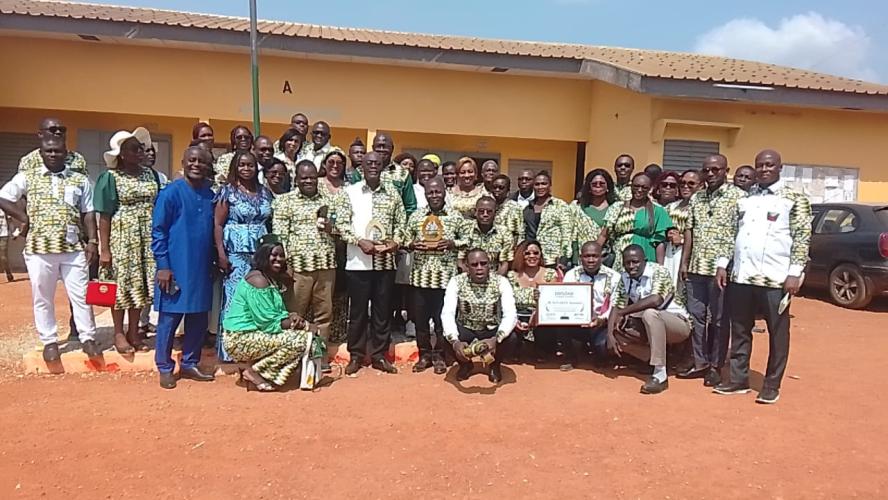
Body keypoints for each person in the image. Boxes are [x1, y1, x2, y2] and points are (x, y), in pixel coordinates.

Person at [713, 150, 811, 404]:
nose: (764, 169)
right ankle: (738, 379)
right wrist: (723, 264)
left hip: (775, 279)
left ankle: (771, 385)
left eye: (769, 165)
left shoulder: (794, 199)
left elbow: (802, 238)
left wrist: (795, 273)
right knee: (740, 329)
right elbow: (731, 234)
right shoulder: (745, 199)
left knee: (777, 333)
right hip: (743, 276)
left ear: (780, 167)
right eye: (760, 165)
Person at [0, 136, 100, 362]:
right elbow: (3, 197)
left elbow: (89, 212)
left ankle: (88, 338)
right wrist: (23, 217)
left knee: (81, 295)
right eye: (49, 151)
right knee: (43, 297)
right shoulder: (28, 176)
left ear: (66, 153)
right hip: (39, 249)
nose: (53, 154)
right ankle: (50, 342)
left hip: (73, 248)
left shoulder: (79, 179)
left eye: (58, 151)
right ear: (42, 153)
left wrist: (93, 241)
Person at [151, 146, 217, 389]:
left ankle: (190, 362)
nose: (196, 165)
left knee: (198, 318)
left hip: (201, 267)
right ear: (183, 162)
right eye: (192, 160)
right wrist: (163, 266)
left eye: (202, 161)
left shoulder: (210, 195)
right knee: (169, 319)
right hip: (174, 267)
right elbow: (158, 231)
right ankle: (165, 367)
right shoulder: (170, 193)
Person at [678, 154, 746, 386]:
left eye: (715, 169)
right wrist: (684, 262)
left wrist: (729, 265)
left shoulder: (739, 197)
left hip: (722, 271)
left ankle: (716, 366)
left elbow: (742, 235)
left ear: (726, 171)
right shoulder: (697, 198)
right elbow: (689, 231)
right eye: (706, 170)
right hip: (696, 268)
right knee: (696, 318)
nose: (710, 174)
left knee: (718, 320)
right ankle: (700, 362)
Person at [222, 238, 320, 391]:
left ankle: (256, 368)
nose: (279, 259)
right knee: (302, 340)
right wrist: (305, 325)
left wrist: (291, 316)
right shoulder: (258, 280)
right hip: (240, 339)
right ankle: (254, 372)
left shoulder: (269, 278)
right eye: (274, 255)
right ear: (263, 255)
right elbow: (268, 323)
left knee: (305, 337)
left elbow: (275, 313)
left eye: (281, 255)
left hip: (254, 333)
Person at [340, 151, 406, 376]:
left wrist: (395, 242)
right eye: (369, 163)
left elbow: (401, 223)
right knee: (357, 312)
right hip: (358, 262)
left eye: (377, 163)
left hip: (385, 263)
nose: (373, 167)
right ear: (362, 167)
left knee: (382, 311)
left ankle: (379, 355)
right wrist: (359, 241)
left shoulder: (393, 193)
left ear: (382, 166)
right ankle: (356, 355)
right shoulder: (350, 192)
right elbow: (342, 224)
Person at [94, 127, 159, 353]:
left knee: (139, 285)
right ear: (121, 154)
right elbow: (104, 215)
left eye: (141, 148)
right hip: (123, 236)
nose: (140, 152)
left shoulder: (150, 175)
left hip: (146, 236)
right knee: (121, 285)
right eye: (134, 149)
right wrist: (104, 249)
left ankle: (133, 331)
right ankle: (119, 333)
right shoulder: (110, 177)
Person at [271, 159, 340, 349]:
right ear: (296, 179)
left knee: (324, 316)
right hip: (298, 269)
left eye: (312, 177)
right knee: (294, 314)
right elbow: (280, 236)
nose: (308, 181)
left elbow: (341, 228)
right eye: (304, 178)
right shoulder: (285, 201)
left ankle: (319, 355)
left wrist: (332, 228)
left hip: (326, 266)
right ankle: (293, 354)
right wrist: (284, 267)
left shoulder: (330, 200)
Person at [607, 245, 691, 394]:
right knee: (617, 333)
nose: (631, 266)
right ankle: (657, 359)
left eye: (635, 262)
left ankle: (660, 375)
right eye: (627, 263)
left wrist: (624, 312)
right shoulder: (624, 277)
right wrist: (609, 335)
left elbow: (656, 300)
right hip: (648, 324)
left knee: (650, 313)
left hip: (678, 324)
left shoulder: (659, 271)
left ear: (644, 261)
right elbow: (616, 305)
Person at [214, 151, 273, 363]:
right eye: (242, 165)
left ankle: (255, 348)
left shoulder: (265, 192)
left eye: (250, 165)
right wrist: (221, 254)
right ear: (235, 167)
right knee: (234, 298)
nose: (246, 169)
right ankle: (231, 350)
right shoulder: (227, 192)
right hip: (235, 253)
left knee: (258, 297)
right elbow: (218, 224)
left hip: (260, 253)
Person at [405, 176, 467, 374]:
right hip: (420, 278)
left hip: (445, 280)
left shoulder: (455, 216)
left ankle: (440, 356)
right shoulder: (416, 216)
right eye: (430, 192)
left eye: (437, 191)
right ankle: (424, 355)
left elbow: (468, 239)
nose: (434, 195)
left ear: (444, 192)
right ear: (425, 194)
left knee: (442, 322)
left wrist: (452, 243)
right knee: (421, 322)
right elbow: (404, 238)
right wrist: (412, 244)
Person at [442, 249, 518, 383]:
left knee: (511, 337)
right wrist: (455, 342)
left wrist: (496, 339)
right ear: (466, 266)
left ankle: (494, 365)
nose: (479, 268)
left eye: (483, 264)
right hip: (466, 327)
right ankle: (465, 365)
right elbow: (447, 313)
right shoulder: (456, 281)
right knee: (445, 337)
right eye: (474, 264)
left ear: (489, 265)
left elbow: (510, 313)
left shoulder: (501, 282)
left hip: (491, 328)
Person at [558, 241, 620, 370]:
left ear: (602, 257)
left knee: (602, 346)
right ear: (580, 258)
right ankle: (571, 357)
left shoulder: (614, 277)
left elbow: (616, 304)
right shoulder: (571, 275)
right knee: (560, 323)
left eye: (594, 256)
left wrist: (602, 320)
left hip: (603, 323)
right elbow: (564, 301)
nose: (591, 260)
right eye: (587, 256)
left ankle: (600, 356)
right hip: (577, 323)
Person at [598, 172, 672, 270]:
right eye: (636, 186)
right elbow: (604, 235)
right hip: (620, 256)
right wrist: (594, 253)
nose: (640, 190)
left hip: (646, 255)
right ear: (631, 186)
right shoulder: (617, 207)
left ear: (650, 189)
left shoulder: (658, 210)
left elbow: (659, 241)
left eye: (644, 187)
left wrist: (660, 268)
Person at [318, 150, 353, 345]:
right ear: (324, 164)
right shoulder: (315, 185)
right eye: (331, 162)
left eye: (339, 163)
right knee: (320, 291)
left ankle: (337, 332)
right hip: (319, 246)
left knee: (340, 290)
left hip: (343, 246)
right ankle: (317, 334)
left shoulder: (349, 189)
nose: (335, 165)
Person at [506, 240, 559, 354]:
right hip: (517, 316)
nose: (532, 256)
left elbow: (552, 301)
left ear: (540, 255)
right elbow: (507, 303)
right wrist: (515, 321)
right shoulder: (511, 276)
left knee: (544, 332)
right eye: (527, 253)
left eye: (536, 253)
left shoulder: (550, 274)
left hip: (541, 316)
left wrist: (537, 313)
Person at [523, 171, 572, 269]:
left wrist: (564, 258)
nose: (540, 187)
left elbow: (567, 234)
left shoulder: (560, 206)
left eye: (544, 184)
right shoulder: (528, 208)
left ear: (550, 185)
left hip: (552, 259)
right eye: (537, 184)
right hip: (531, 258)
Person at [661, 170, 700, 288]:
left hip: (689, 253)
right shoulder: (671, 207)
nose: (685, 186)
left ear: (700, 185)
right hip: (670, 252)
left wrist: (682, 240)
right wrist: (667, 233)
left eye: (691, 183)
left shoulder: (700, 208)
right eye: (682, 183)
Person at [460, 196, 513, 275]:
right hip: (470, 276)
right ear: (475, 212)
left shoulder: (504, 232)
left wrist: (495, 280)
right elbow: (461, 261)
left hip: (495, 276)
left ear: (495, 213)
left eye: (489, 212)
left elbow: (504, 264)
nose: (485, 214)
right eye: (481, 211)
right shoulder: (465, 230)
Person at [573, 168, 615, 266]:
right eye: (594, 184)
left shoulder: (615, 208)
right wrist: (575, 259)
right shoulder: (577, 207)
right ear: (589, 187)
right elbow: (573, 236)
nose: (598, 186)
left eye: (602, 183)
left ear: (608, 186)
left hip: (607, 259)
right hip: (582, 259)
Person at [18, 118, 88, 176]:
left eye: (62, 130)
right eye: (53, 129)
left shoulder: (77, 159)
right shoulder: (29, 160)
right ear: (40, 134)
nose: (58, 132)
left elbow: (83, 184)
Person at [488, 174, 524, 246]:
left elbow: (518, 233)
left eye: (501, 188)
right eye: (495, 187)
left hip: (508, 247)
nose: (497, 190)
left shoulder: (515, 207)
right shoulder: (489, 205)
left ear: (508, 190)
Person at [0, 207, 12, 282]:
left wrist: (12, 231)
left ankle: (8, 273)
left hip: (3, 235)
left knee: (3, 257)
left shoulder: (4, 208)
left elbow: (10, 221)